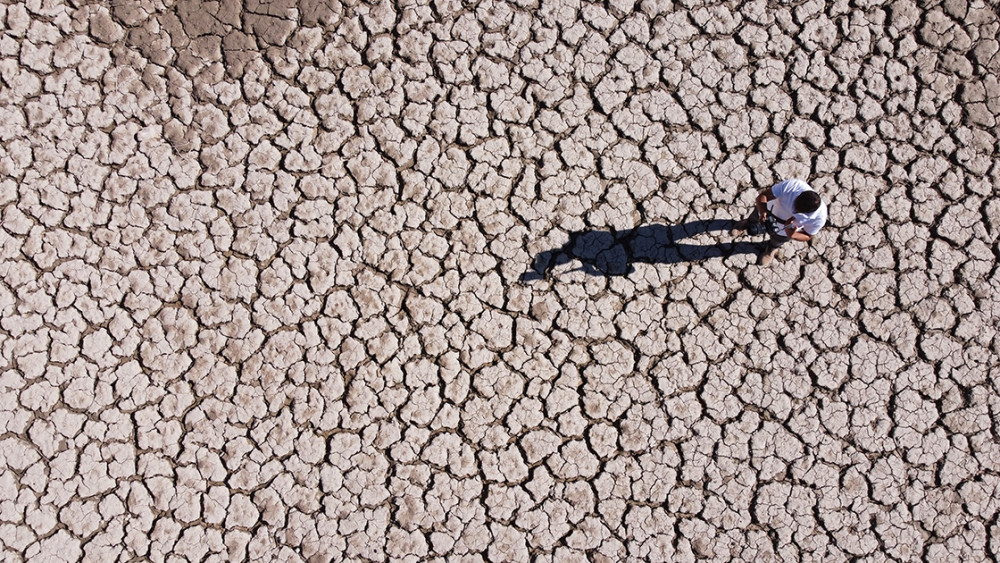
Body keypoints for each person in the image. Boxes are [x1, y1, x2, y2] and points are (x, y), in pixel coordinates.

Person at [730, 179, 827, 266]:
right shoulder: (794, 186)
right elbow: (763, 196)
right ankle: (745, 224)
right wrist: (763, 211)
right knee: (753, 220)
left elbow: (808, 235)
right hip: (767, 211)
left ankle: (770, 251)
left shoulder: (819, 217)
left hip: (784, 231)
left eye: (799, 211)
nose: (794, 210)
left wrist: (792, 234)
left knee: (777, 241)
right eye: (795, 204)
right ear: (799, 194)